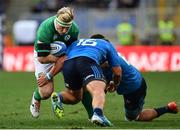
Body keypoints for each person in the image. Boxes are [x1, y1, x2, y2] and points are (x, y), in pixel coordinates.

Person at [95, 35, 179, 121]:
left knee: (134, 117)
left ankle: (168, 108)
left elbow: (114, 74)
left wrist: (113, 85)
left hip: (134, 87)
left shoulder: (107, 59)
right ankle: (96, 113)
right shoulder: (108, 55)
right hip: (128, 83)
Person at [48, 38, 122, 127]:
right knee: (98, 90)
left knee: (75, 97)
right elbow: (117, 72)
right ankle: (98, 114)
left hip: (68, 64)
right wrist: (115, 84)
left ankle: (59, 97)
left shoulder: (77, 42)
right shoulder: (107, 45)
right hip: (87, 61)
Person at [30, 7, 79, 118]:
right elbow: (42, 58)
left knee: (79, 85)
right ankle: (36, 97)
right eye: (62, 27)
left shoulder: (74, 29)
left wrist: (64, 60)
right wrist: (60, 61)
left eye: (67, 28)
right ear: (56, 20)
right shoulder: (45, 28)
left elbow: (72, 50)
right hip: (45, 56)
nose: (64, 31)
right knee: (46, 92)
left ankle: (93, 115)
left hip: (64, 56)